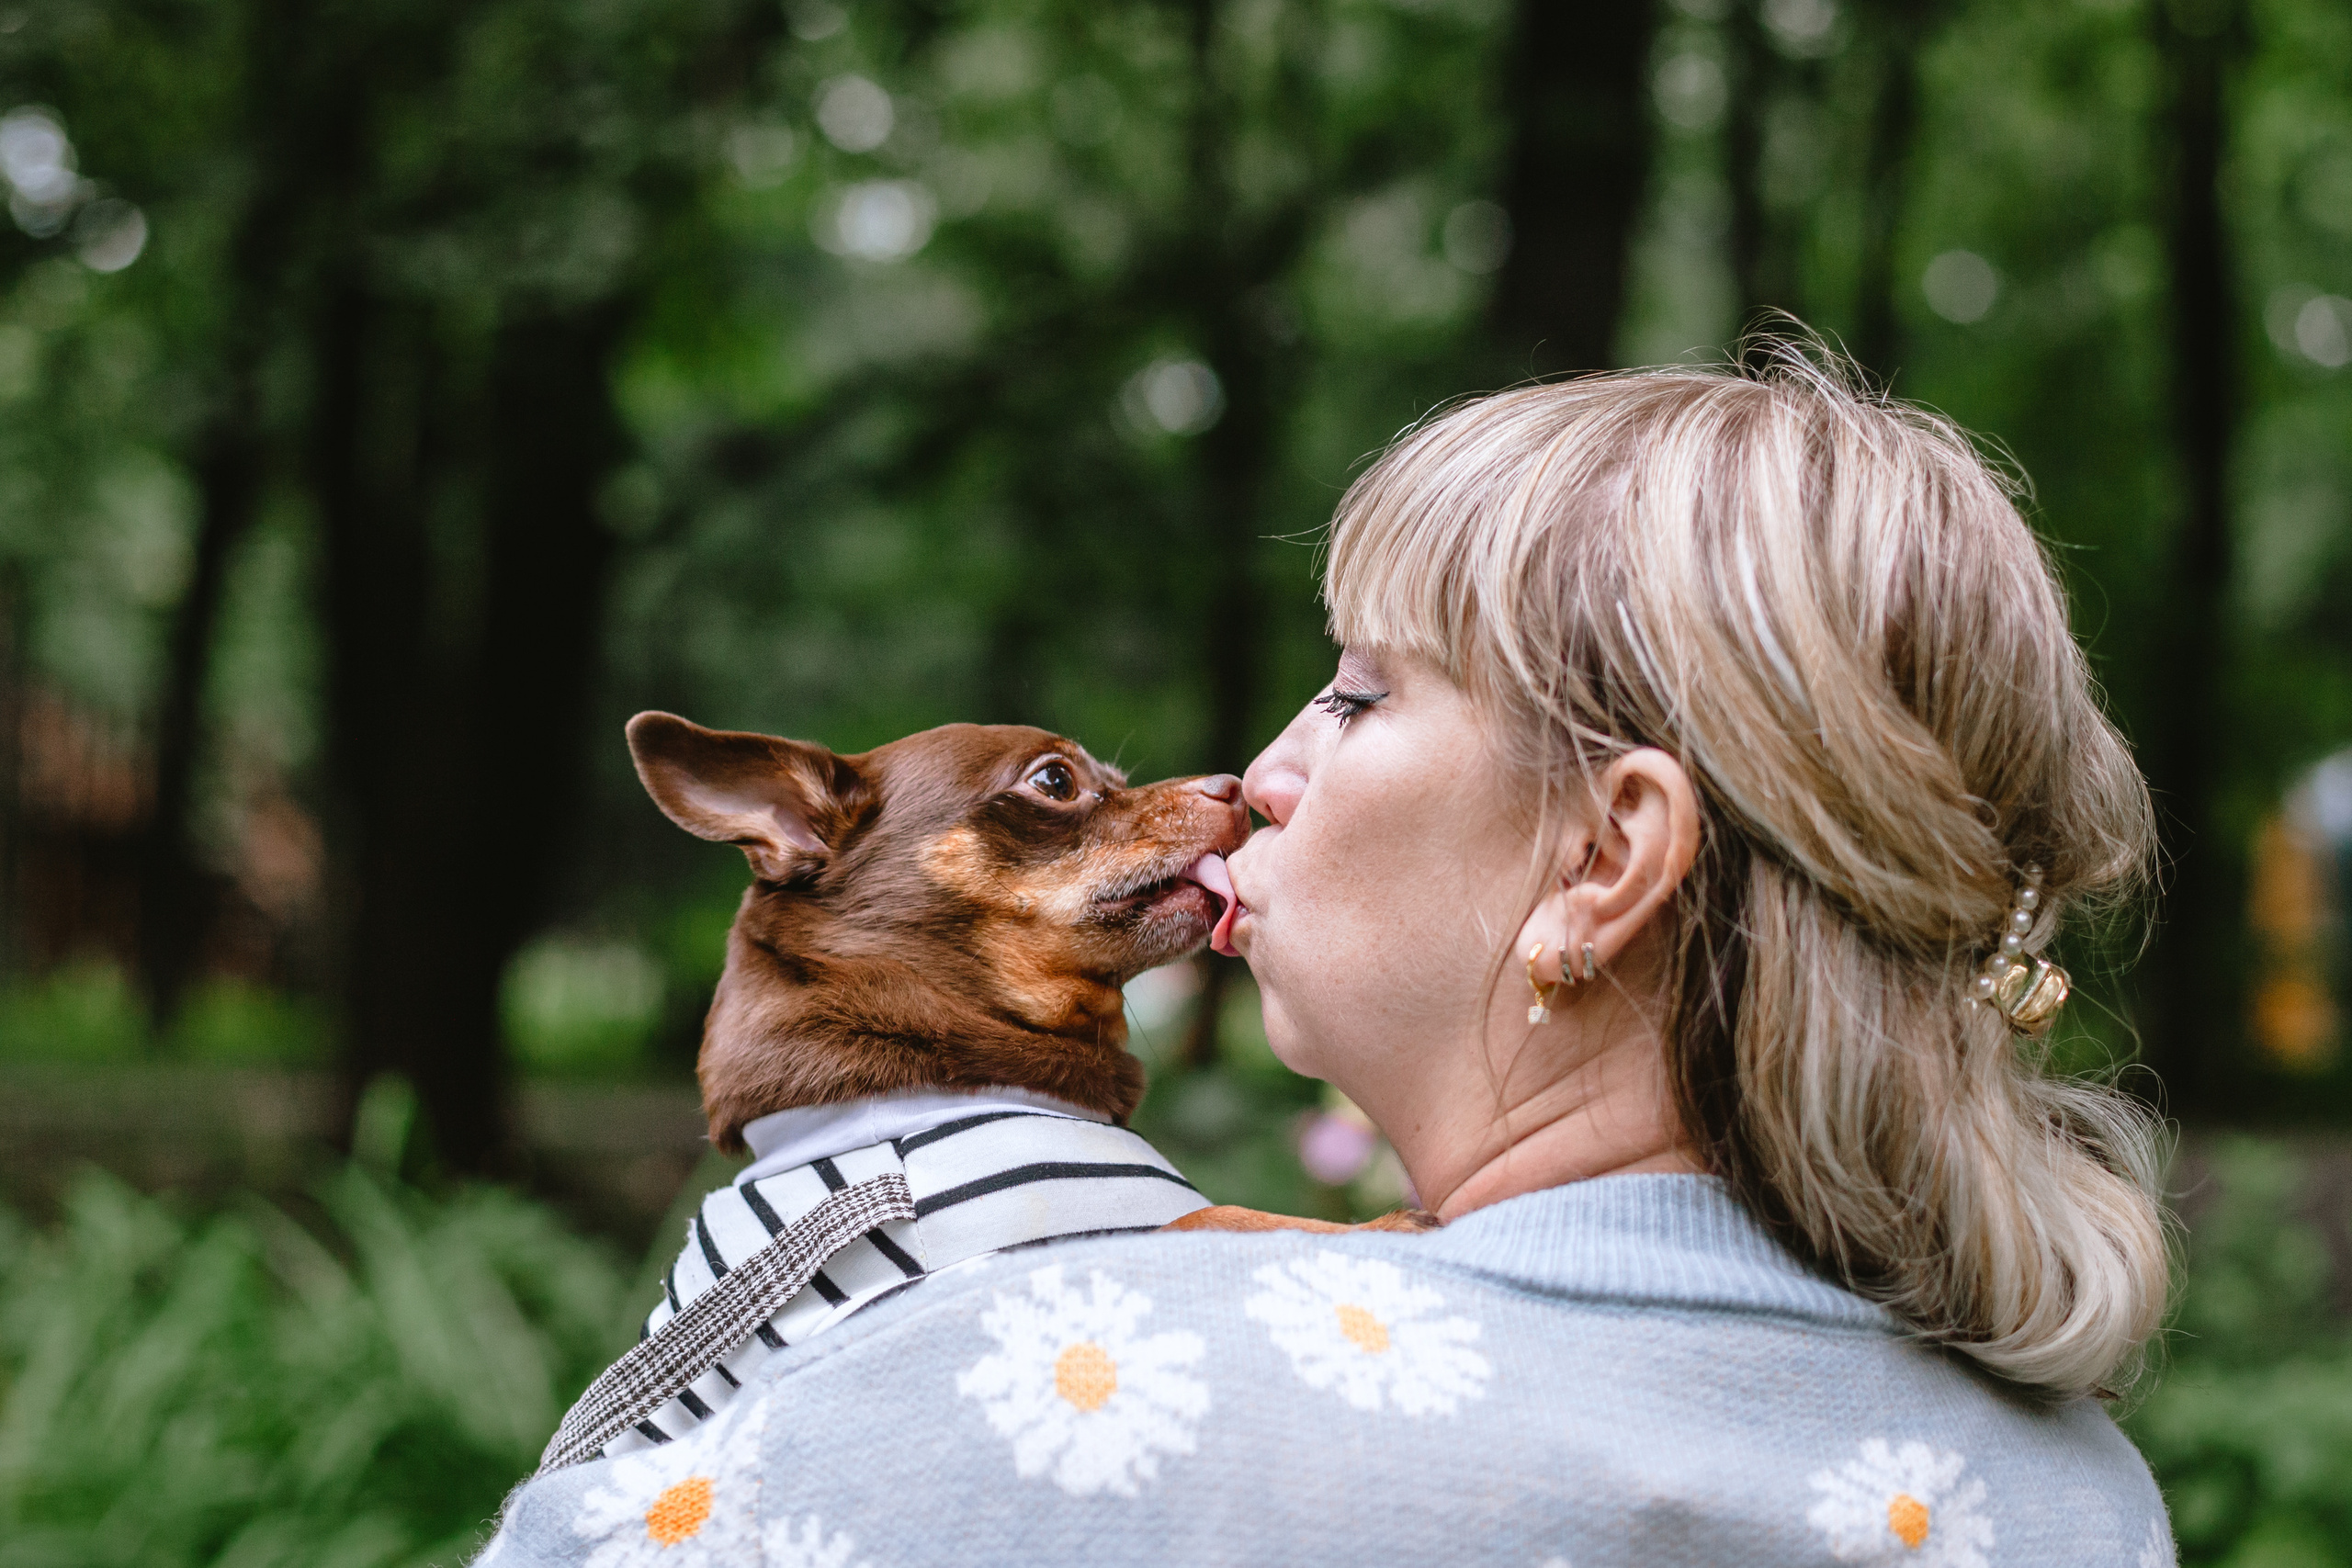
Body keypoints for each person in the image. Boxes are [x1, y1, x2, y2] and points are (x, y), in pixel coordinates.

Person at [481, 352, 2176, 1567]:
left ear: (1604, 859)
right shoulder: (2078, 1500)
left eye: (1361, 696)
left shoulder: (1020, 1396)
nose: (1263, 772)